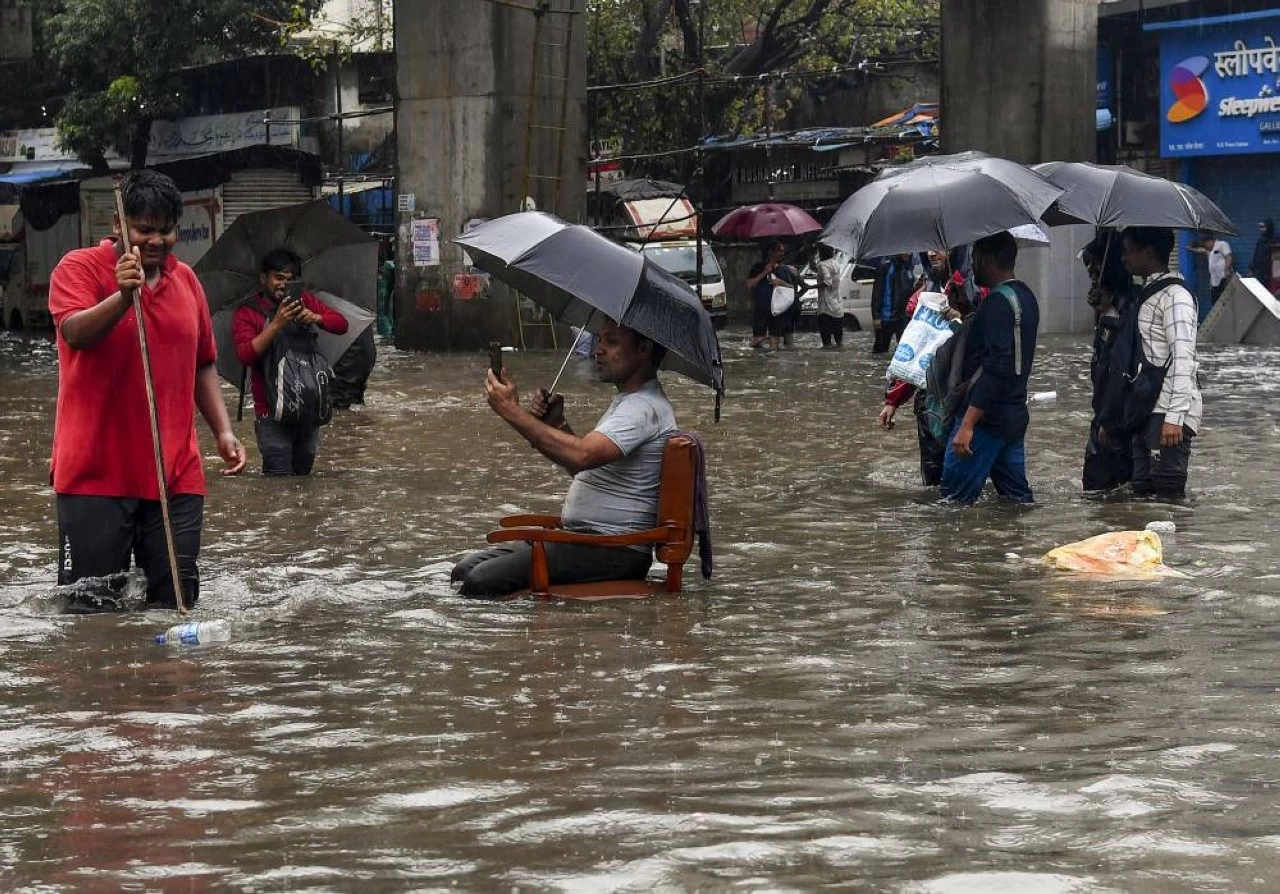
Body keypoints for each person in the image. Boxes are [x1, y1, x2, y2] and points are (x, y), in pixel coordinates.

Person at [47, 169, 247, 608]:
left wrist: (222, 432)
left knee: (175, 603)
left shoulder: (187, 282)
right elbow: (75, 333)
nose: (156, 240)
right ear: (118, 226)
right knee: (91, 609)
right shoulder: (77, 268)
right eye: (144, 229)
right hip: (95, 474)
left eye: (166, 230)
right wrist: (122, 296)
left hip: (174, 471)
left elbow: (203, 363)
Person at [451, 318, 677, 597]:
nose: (599, 349)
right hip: (585, 542)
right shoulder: (629, 403)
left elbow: (581, 455)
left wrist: (509, 410)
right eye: (600, 340)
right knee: (464, 570)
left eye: (612, 341)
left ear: (644, 349)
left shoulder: (642, 409)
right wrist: (557, 424)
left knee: (481, 581)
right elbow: (589, 468)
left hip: (613, 550)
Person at [940, 231, 1039, 505]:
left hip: (986, 419)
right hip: (1013, 414)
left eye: (974, 258)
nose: (972, 266)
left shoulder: (997, 303)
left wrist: (968, 424)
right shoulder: (1025, 297)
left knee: (952, 505)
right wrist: (967, 309)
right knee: (1016, 502)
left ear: (986, 259)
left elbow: (997, 366)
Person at [233, 249, 349, 476]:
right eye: (278, 278)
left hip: (309, 407)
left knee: (303, 479)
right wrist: (276, 324)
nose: (283, 285)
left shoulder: (304, 301)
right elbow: (245, 355)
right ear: (264, 278)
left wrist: (316, 318)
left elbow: (341, 325)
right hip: (271, 411)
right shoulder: (248, 312)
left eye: (290, 279)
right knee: (279, 481)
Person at [878, 251, 977, 487]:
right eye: (928, 247)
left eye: (939, 246)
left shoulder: (976, 290)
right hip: (930, 401)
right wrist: (893, 400)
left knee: (965, 476)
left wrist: (964, 315)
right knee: (933, 480)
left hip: (965, 399)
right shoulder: (923, 295)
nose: (932, 252)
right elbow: (916, 351)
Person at [1118, 227, 1202, 500]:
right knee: (1142, 494)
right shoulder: (1147, 293)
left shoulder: (1176, 297)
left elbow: (1183, 358)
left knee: (1169, 497)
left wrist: (1175, 418)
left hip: (1168, 411)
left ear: (1148, 251)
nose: (1123, 257)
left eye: (1128, 250)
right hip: (1146, 409)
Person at [1081, 232, 1136, 492]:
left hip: (1116, 421)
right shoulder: (1108, 308)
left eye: (1096, 265)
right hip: (1104, 416)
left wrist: (1109, 423)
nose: (1092, 270)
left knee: (1104, 490)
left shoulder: (1127, 308)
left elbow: (1118, 369)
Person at [746, 241, 799, 351]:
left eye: (783, 251)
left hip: (777, 311)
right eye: (779, 251)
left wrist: (781, 282)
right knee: (758, 340)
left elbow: (791, 288)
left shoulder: (784, 269)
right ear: (771, 252)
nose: (782, 253)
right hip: (761, 310)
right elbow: (750, 284)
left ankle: (772, 364)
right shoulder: (758, 267)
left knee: (774, 345)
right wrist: (764, 272)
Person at [870, 252, 916, 354]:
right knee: (880, 351)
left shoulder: (909, 267)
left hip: (903, 317)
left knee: (905, 348)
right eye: (905, 250)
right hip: (885, 317)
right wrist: (876, 316)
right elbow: (877, 292)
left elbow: (909, 292)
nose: (907, 253)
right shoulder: (885, 266)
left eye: (909, 251)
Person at [813, 244, 844, 349]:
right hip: (837, 307)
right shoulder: (836, 263)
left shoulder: (822, 265)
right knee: (839, 342)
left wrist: (810, 287)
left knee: (826, 344)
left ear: (822, 253)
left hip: (825, 308)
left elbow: (827, 282)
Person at [1203, 232, 1233, 308]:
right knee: (1215, 303)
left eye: (1206, 244)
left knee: (1225, 302)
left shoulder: (1222, 244)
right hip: (1214, 282)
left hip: (1224, 279)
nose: (1206, 246)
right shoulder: (1210, 251)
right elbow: (1199, 250)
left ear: (1210, 241)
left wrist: (1226, 270)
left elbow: (1228, 257)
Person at [1249, 219, 1276, 291]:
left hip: (1269, 273)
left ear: (1269, 228)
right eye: (1260, 227)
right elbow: (1256, 255)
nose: (1261, 229)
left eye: (1263, 227)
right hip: (1259, 272)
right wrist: (1251, 268)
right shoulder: (1260, 241)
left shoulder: (1274, 241)